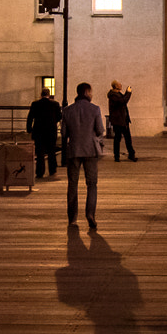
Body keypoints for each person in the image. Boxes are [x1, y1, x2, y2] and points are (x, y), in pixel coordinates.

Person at [61, 82, 105, 230]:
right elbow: (100, 130)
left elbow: (64, 133)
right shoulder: (95, 109)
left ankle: (72, 218)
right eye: (91, 92)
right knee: (91, 184)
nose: (92, 95)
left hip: (73, 150)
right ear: (86, 92)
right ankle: (90, 213)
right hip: (90, 151)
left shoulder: (67, 111)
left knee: (72, 184)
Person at [25, 88, 62, 179]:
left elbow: (30, 118)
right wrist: (53, 122)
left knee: (40, 153)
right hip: (51, 131)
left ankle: (40, 172)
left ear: (41, 95)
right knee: (51, 151)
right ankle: (52, 171)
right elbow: (59, 117)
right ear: (49, 95)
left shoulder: (35, 104)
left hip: (38, 131)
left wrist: (29, 129)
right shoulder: (55, 104)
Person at [106, 80, 136, 162]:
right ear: (115, 86)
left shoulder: (117, 94)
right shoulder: (113, 95)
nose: (121, 85)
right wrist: (128, 93)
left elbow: (123, 100)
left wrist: (126, 92)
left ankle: (130, 154)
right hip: (119, 121)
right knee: (119, 138)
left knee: (126, 138)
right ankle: (118, 156)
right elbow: (123, 101)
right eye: (119, 84)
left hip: (122, 120)